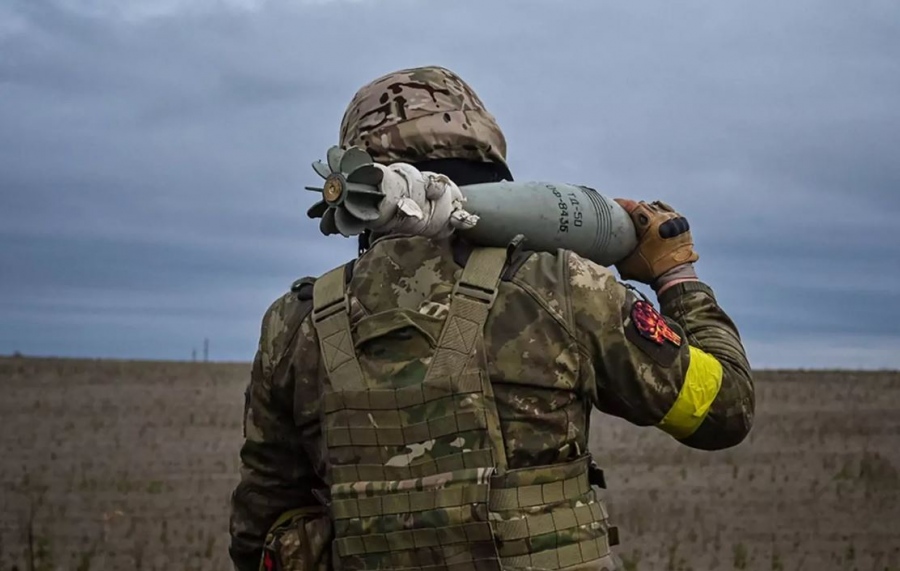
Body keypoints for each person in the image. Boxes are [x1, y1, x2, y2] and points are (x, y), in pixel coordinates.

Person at [229, 65, 754, 571]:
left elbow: (262, 520)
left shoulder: (295, 322)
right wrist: (676, 275)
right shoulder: (564, 287)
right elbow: (723, 410)